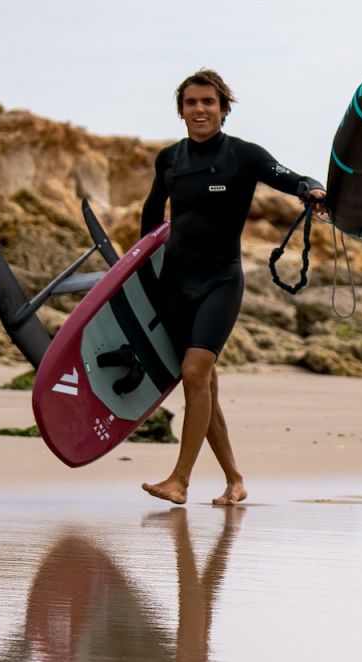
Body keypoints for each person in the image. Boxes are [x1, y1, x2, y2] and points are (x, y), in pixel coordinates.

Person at [139, 69, 324, 505]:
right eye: (191, 103)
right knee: (204, 387)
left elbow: (290, 178)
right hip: (174, 282)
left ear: (224, 109)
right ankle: (235, 480)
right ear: (181, 111)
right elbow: (151, 218)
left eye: (208, 102)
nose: (199, 109)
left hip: (220, 281)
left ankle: (180, 481)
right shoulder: (169, 159)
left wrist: (312, 189)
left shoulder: (244, 156)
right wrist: (136, 276)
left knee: (193, 373)